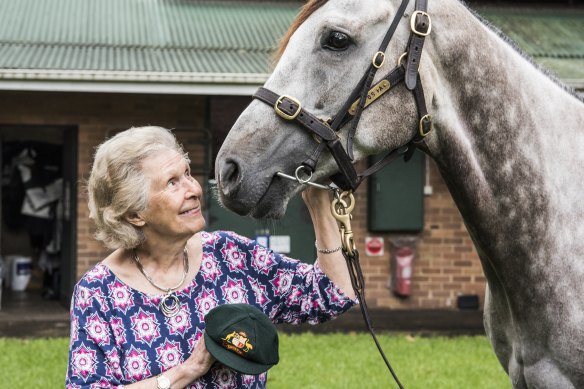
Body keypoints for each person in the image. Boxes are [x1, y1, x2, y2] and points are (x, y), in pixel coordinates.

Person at [66, 126, 356, 388]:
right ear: (134, 214)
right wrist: (187, 371)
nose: (193, 190)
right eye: (172, 183)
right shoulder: (97, 294)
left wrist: (318, 204)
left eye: (188, 174)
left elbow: (332, 294)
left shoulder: (230, 256)